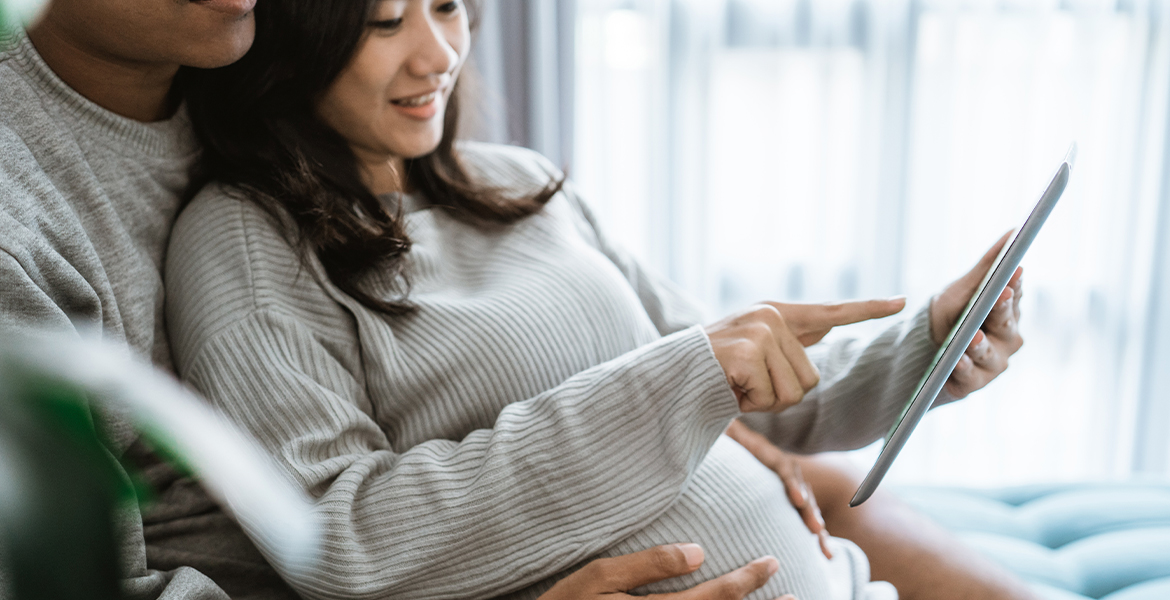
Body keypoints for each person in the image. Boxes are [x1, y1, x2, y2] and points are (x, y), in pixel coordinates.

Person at [165, 1, 1032, 600]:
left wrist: (928, 345)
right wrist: (680, 380)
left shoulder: (520, 181)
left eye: (449, 7)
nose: (438, 54)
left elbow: (748, 389)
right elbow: (339, 541)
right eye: (383, 23)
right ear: (292, 38)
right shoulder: (244, 240)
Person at [0, 1, 800, 599]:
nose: (433, 53)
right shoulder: (33, 214)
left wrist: (688, 417)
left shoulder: (248, 84)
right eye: (385, 20)